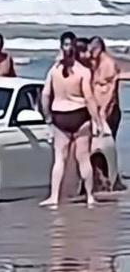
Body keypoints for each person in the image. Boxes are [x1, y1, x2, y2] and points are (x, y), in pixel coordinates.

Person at [40, 32, 105, 209]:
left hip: (60, 116)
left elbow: (45, 96)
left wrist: (47, 118)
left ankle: (54, 197)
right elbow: (89, 98)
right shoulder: (83, 71)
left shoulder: (53, 71)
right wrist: (98, 122)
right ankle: (90, 197)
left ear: (61, 47)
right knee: (83, 159)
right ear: (75, 47)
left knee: (59, 159)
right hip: (79, 115)